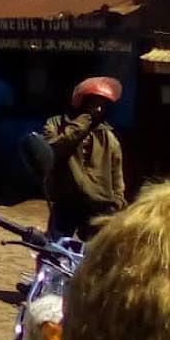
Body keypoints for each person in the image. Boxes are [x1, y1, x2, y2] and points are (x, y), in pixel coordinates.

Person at [62, 182, 170, 340]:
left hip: (100, 205)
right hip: (74, 201)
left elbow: (116, 178)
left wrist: (116, 200)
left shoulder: (124, 251)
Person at [41, 76, 126, 240]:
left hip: (99, 204)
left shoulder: (108, 136)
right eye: (95, 103)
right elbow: (53, 149)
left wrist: (117, 202)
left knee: (96, 257)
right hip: (67, 201)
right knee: (54, 250)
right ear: (82, 102)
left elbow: (117, 173)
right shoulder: (57, 124)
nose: (99, 110)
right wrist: (83, 121)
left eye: (103, 105)